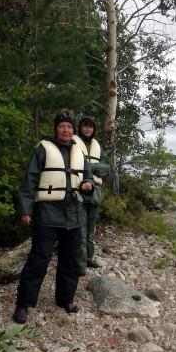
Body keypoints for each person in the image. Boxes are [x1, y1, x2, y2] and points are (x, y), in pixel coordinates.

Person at [12, 111, 94, 324]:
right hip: (48, 212)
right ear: (56, 129)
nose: (66, 130)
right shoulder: (42, 149)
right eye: (62, 126)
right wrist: (26, 210)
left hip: (74, 212)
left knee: (71, 260)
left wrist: (88, 185)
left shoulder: (79, 151)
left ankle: (65, 299)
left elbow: (87, 178)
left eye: (69, 127)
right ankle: (24, 304)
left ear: (73, 130)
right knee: (39, 259)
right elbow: (29, 180)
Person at [73, 116, 108, 273]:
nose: (87, 129)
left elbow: (106, 168)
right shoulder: (73, 143)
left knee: (90, 228)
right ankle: (79, 263)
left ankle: (88, 258)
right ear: (80, 128)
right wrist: (93, 168)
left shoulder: (97, 146)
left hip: (95, 191)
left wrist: (89, 167)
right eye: (85, 126)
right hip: (78, 189)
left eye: (90, 127)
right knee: (80, 228)